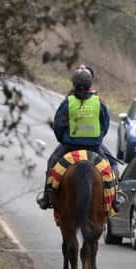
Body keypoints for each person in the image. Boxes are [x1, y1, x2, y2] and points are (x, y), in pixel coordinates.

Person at [37, 69, 119, 210]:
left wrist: (63, 139)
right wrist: (97, 138)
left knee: (51, 163)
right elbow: (105, 124)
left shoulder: (68, 102)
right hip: (94, 147)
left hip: (70, 146)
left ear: (74, 85)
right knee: (110, 168)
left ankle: (46, 197)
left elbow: (58, 125)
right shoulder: (98, 102)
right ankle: (115, 200)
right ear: (90, 85)